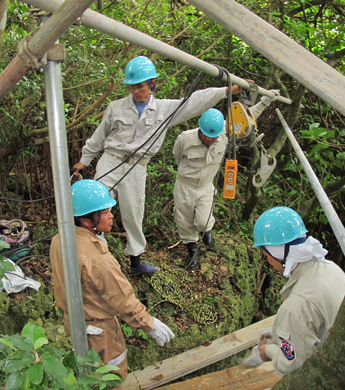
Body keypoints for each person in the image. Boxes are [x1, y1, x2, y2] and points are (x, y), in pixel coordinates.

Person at [72, 55, 241, 275]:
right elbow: (99, 136)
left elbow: (194, 102)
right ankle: (95, 256)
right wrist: (84, 161)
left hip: (137, 166)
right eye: (132, 87)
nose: (135, 91)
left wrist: (225, 91)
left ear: (152, 84)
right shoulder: (115, 108)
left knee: (134, 212)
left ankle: (135, 262)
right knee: (97, 206)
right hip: (111, 160)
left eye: (140, 86)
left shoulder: (164, 110)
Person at [50, 179, 175, 388]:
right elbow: (120, 297)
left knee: (85, 375)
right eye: (105, 212)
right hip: (100, 332)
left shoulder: (60, 239)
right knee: (110, 377)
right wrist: (148, 323)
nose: (111, 216)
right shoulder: (97, 258)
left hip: (74, 324)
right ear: (88, 220)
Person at [241, 206, 345, 375]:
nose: (268, 260)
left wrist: (267, 351)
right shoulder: (331, 268)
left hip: (329, 373)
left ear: (274, 254)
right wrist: (278, 334)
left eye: (266, 254)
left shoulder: (296, 307)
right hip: (344, 350)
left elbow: (292, 366)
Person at [173, 96, 275, 270]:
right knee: (184, 220)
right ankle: (192, 249)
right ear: (200, 129)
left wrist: (264, 102)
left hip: (205, 187)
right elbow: (177, 156)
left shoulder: (225, 133)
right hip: (185, 185)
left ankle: (206, 230)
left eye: (213, 137)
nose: (210, 140)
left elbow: (246, 119)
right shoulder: (185, 139)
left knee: (203, 222)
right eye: (207, 136)